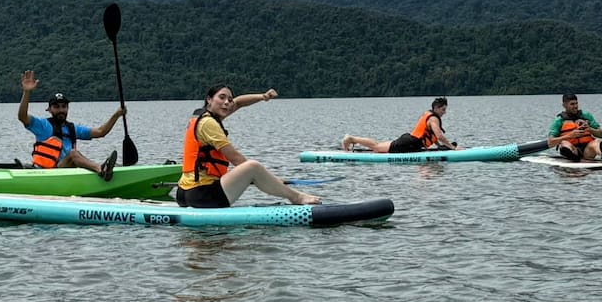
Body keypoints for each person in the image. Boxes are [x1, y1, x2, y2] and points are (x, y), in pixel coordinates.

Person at [177, 84, 321, 208]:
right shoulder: (209, 123)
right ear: (209, 99)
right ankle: (296, 197)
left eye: (229, 99)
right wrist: (273, 179)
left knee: (251, 168)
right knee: (252, 166)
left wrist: (263, 96)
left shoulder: (200, 117)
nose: (227, 102)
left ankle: (293, 195)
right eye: (221, 97)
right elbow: (235, 159)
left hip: (184, 193)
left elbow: (238, 102)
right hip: (203, 196)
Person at [17, 70, 123, 178]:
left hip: (67, 172)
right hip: (47, 174)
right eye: (56, 107)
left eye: (64, 106)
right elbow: (22, 117)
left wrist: (117, 115)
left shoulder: (73, 128)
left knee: (76, 155)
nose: (61, 110)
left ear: (68, 108)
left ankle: (106, 168)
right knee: (73, 154)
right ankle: (101, 169)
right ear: (49, 109)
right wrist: (27, 92)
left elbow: (101, 132)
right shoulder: (42, 125)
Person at [341, 97, 459, 152]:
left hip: (410, 141)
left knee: (378, 145)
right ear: (436, 108)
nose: (445, 112)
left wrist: (438, 146)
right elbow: (439, 135)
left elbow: (431, 135)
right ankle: (351, 138)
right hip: (409, 143)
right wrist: (452, 147)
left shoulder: (431, 116)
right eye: (443, 109)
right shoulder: (433, 119)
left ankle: (353, 139)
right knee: (376, 147)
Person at [547, 92, 602, 162]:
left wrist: (590, 129)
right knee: (564, 143)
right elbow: (550, 142)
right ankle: (573, 157)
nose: (575, 106)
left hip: (588, 150)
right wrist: (569, 135)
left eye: (576, 103)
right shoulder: (559, 120)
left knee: (597, 142)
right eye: (572, 104)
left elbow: (600, 134)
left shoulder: (586, 116)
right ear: (564, 105)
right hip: (573, 148)